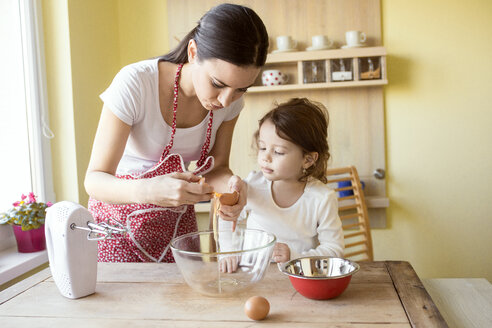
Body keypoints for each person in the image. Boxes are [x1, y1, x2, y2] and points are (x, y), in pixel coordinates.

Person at [84, 3, 269, 263]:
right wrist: (148, 191)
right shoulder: (135, 83)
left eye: (242, 89)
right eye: (218, 84)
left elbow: (216, 169)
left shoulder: (230, 103)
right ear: (193, 52)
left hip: (177, 228)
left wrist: (232, 187)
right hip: (118, 229)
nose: (227, 101)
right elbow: (94, 180)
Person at [223, 98, 344, 264]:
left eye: (278, 152)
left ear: (308, 159)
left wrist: (295, 257)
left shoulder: (322, 198)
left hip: (296, 282)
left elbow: (334, 250)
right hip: (251, 276)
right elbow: (226, 217)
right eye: (263, 147)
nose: (265, 157)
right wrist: (229, 252)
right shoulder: (252, 185)